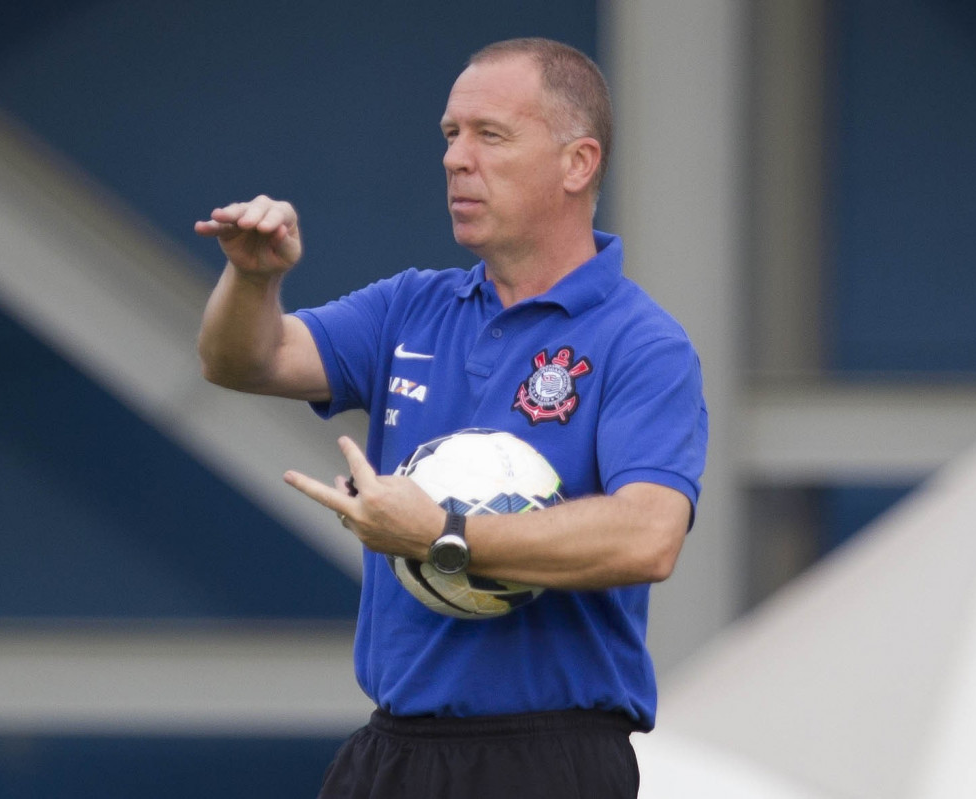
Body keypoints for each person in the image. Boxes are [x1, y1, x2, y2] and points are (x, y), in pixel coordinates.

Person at [195, 37, 707, 799]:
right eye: (450, 135)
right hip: (393, 750)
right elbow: (246, 360)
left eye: (490, 135)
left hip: (549, 757)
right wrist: (251, 279)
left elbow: (648, 533)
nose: (455, 159)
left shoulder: (642, 342)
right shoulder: (413, 304)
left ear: (579, 163)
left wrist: (446, 534)